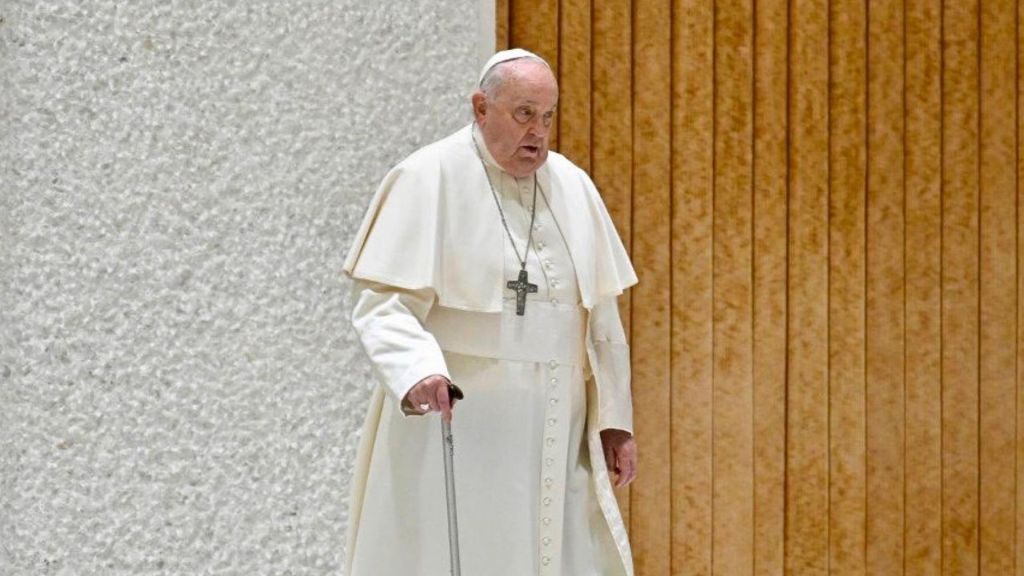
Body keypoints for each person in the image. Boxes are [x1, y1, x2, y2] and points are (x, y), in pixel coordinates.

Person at [342, 49, 639, 576]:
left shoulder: (572, 186)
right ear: (482, 107)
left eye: (547, 117)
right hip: (460, 419)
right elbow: (384, 304)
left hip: (556, 425)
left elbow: (601, 320)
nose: (539, 132)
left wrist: (615, 421)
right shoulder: (427, 175)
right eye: (524, 113)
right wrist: (417, 371)